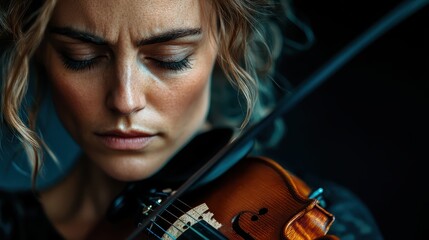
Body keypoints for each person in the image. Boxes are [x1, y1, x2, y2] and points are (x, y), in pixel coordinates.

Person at [0, 0, 383, 239]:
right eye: (81, 56)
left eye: (170, 58)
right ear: (39, 55)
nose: (125, 100)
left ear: (227, 47)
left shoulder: (320, 221)